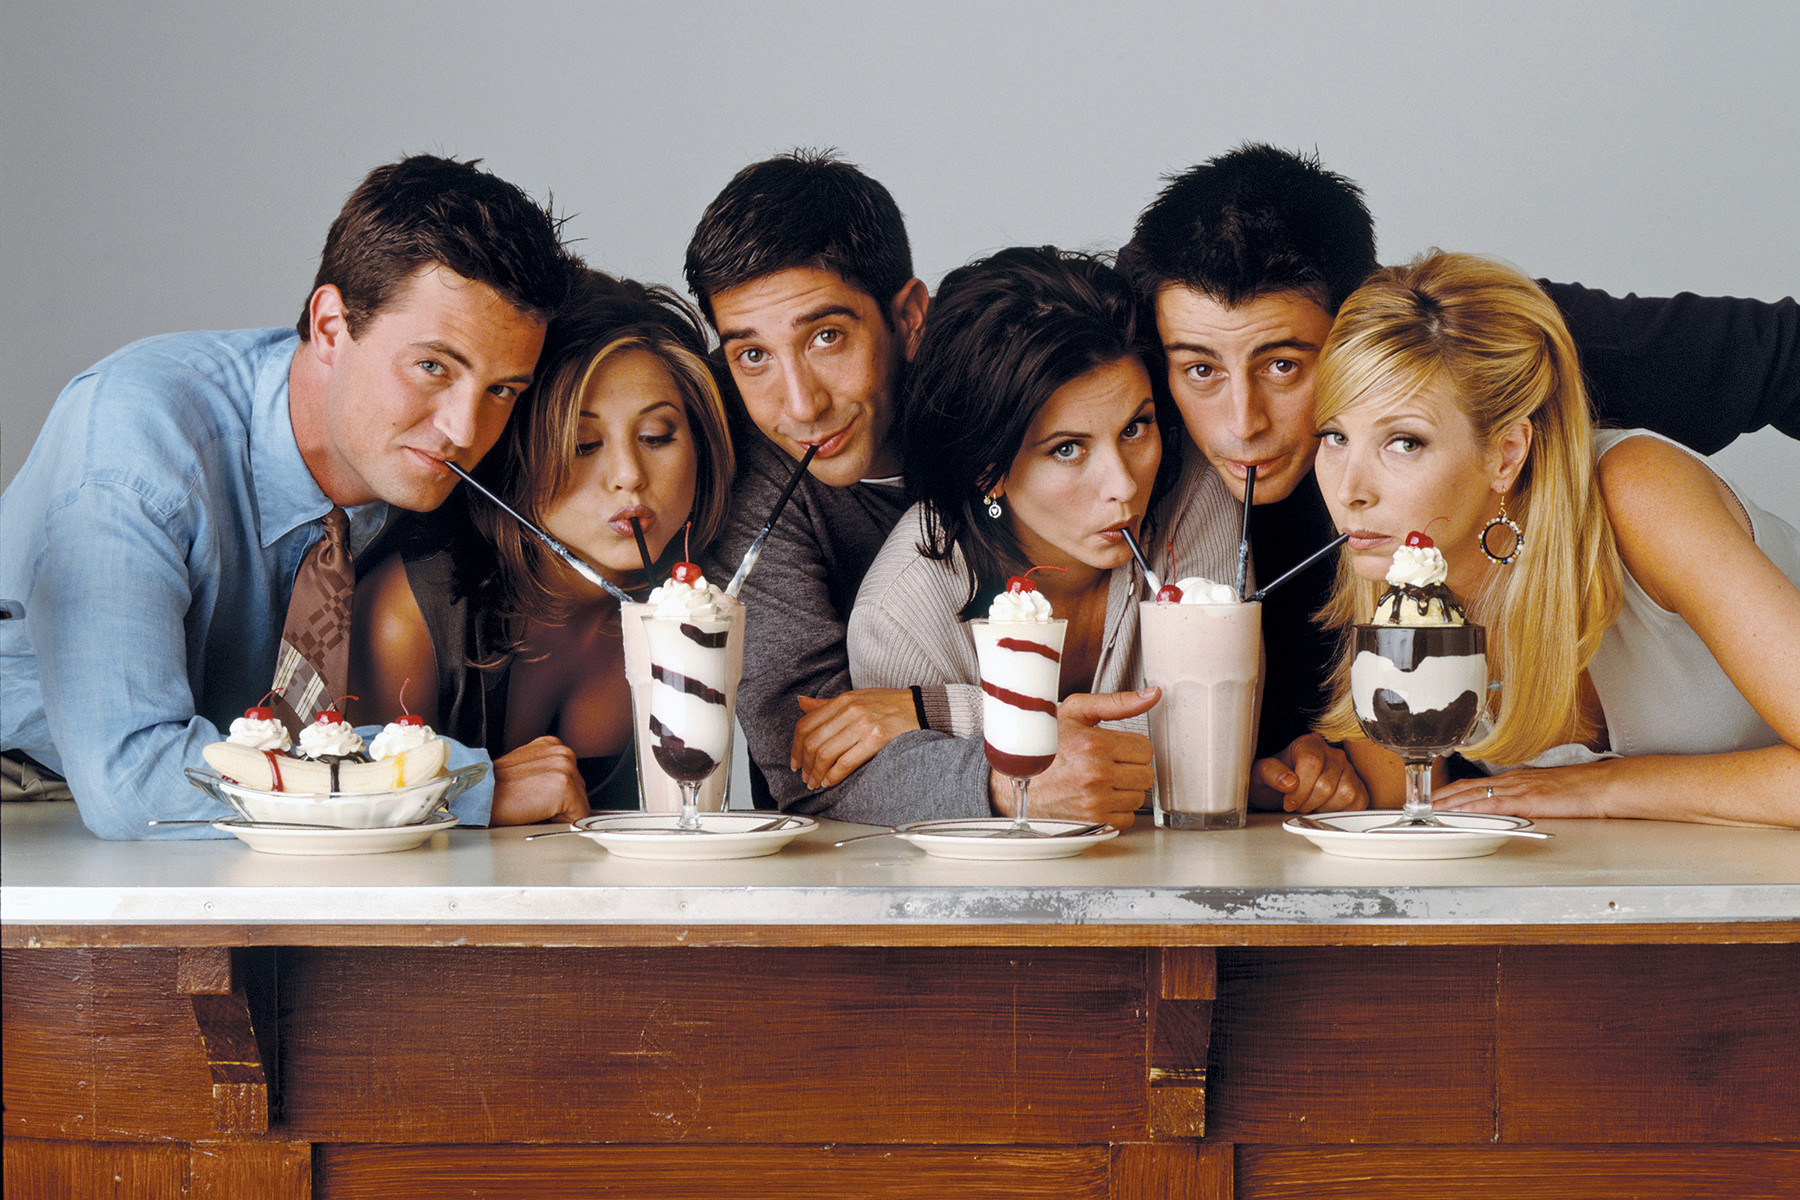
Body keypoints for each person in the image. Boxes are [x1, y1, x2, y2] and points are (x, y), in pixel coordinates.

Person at [1118, 143, 1800, 813]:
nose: (1241, 422)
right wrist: (1295, 777)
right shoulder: (1382, 538)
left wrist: (1606, 787)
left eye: (1285, 365)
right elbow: (1405, 802)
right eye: (1201, 369)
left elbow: (1783, 354)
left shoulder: (1589, 435)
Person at [0, 154, 575, 838]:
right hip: (48, 807)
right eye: (431, 366)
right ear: (331, 327)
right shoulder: (139, 438)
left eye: (502, 389)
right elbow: (130, 781)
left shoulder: (415, 456)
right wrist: (449, 785)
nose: (463, 430)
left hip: (242, 820)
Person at [1311, 252, 1800, 827]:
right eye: (1335, 435)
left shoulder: (1637, 493)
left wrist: (1604, 789)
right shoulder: (1388, 566)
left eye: (1405, 442)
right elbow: (1412, 820)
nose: (1349, 490)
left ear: (1506, 453)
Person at [847, 246, 1239, 827]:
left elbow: (1214, 736)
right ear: (989, 470)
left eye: (1135, 428)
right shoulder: (903, 610)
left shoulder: (1193, 499)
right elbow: (893, 790)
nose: (1124, 485)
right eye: (1067, 449)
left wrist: (946, 711)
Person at [350, 269, 735, 815]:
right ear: (516, 452)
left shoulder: (712, 601)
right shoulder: (408, 613)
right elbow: (356, 827)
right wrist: (470, 800)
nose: (628, 474)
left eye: (656, 437)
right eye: (583, 444)